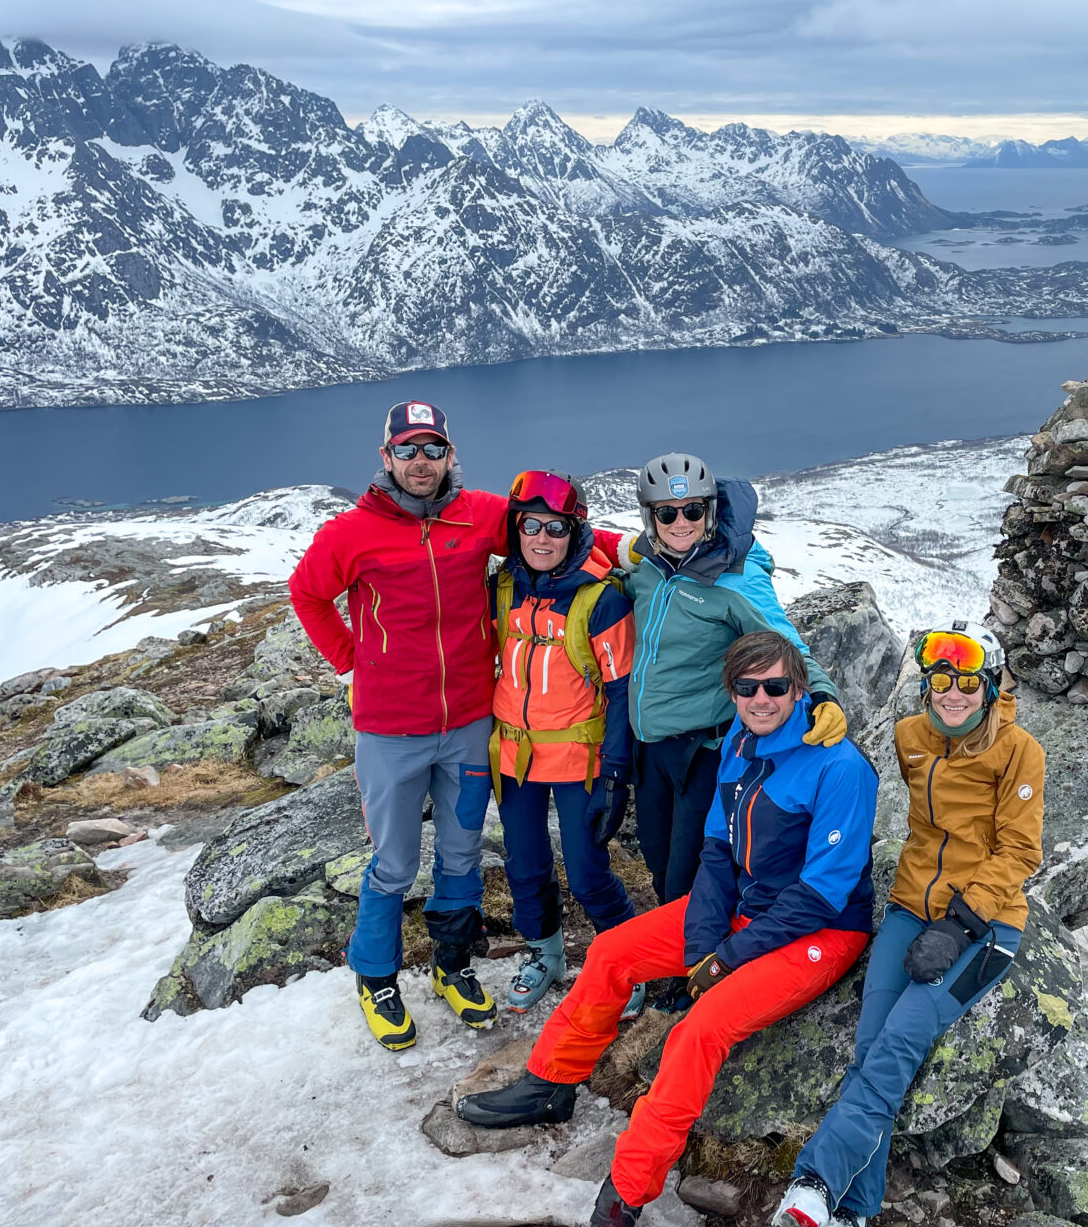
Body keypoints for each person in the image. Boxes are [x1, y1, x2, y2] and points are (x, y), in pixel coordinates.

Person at [454, 630, 878, 1227]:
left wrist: (728, 958)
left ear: (799, 689)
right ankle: (549, 1084)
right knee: (609, 954)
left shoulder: (839, 765)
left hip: (817, 931)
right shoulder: (740, 742)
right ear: (732, 691)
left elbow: (821, 893)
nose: (761, 698)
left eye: (775, 686)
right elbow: (716, 851)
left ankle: (628, 1190)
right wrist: (705, 941)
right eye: (747, 686)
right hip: (739, 909)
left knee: (699, 1031)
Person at [772, 623, 1043, 1227]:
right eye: (940, 680)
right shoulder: (910, 737)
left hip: (985, 928)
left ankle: (816, 1182)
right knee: (870, 1048)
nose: (951, 693)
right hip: (909, 907)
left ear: (990, 683)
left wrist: (959, 927)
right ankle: (854, 1221)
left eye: (966, 681)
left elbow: (1020, 852)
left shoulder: (1018, 751)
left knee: (898, 1046)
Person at [288, 400, 510, 1050]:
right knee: (394, 863)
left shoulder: (480, 515)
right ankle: (376, 976)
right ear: (386, 458)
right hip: (390, 731)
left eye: (433, 448)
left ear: (449, 455)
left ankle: (451, 967)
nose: (422, 461)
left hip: (468, 721)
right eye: (408, 449)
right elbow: (307, 593)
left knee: (463, 854)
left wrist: (645, 545)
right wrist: (352, 660)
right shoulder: (351, 533)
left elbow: (553, 528)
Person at [620, 453, 847, 1009]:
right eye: (666, 513)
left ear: (711, 510)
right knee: (654, 856)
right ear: (649, 517)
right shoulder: (647, 564)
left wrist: (820, 695)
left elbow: (783, 644)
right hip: (650, 747)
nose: (680, 524)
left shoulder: (736, 577)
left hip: (704, 747)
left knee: (690, 869)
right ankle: (679, 954)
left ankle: (692, 974)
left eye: (692, 511)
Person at [488, 470, 644, 1020]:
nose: (542, 538)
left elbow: (623, 689)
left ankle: (627, 962)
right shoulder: (503, 588)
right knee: (525, 864)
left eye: (556, 527)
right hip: (515, 757)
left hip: (581, 761)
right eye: (531, 525)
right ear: (517, 529)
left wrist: (617, 774)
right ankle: (544, 953)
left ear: (574, 532)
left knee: (586, 871)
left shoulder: (599, 601)